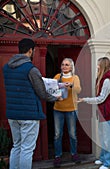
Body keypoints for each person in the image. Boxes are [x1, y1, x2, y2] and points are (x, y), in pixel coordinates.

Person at [2, 38, 61, 169]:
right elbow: (41, 92)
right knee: (27, 149)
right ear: (30, 50)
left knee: (16, 145)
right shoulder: (31, 69)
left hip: (12, 114)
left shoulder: (6, 68)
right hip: (29, 115)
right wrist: (55, 98)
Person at [78, 57, 110, 169]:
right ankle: (104, 158)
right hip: (102, 114)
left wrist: (85, 99)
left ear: (103, 65)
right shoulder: (102, 79)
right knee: (103, 138)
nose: (97, 66)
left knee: (109, 140)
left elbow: (101, 99)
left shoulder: (106, 81)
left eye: (98, 64)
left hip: (107, 114)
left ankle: (109, 163)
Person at [52, 58, 81, 167]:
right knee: (57, 134)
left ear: (71, 67)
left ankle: (74, 154)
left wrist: (71, 86)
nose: (64, 66)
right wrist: (55, 96)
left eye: (67, 65)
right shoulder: (57, 77)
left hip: (71, 110)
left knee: (72, 134)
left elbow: (78, 90)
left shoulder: (75, 78)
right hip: (58, 109)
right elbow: (51, 90)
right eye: (63, 64)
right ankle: (57, 156)